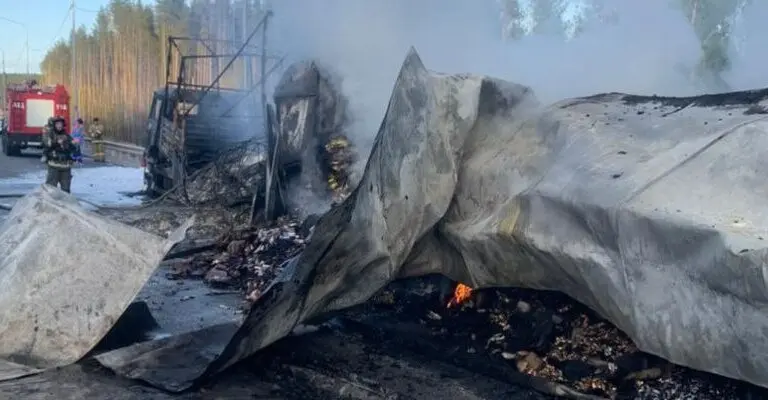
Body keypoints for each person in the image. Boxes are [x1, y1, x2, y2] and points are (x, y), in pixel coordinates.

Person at [43, 116, 80, 193]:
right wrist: (56, 143)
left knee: (66, 190)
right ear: (54, 125)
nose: (59, 125)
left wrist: (74, 144)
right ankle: (50, 204)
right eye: (57, 124)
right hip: (54, 166)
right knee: (51, 189)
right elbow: (47, 145)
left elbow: (73, 147)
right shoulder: (49, 134)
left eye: (61, 124)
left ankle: (65, 204)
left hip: (65, 167)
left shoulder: (66, 135)